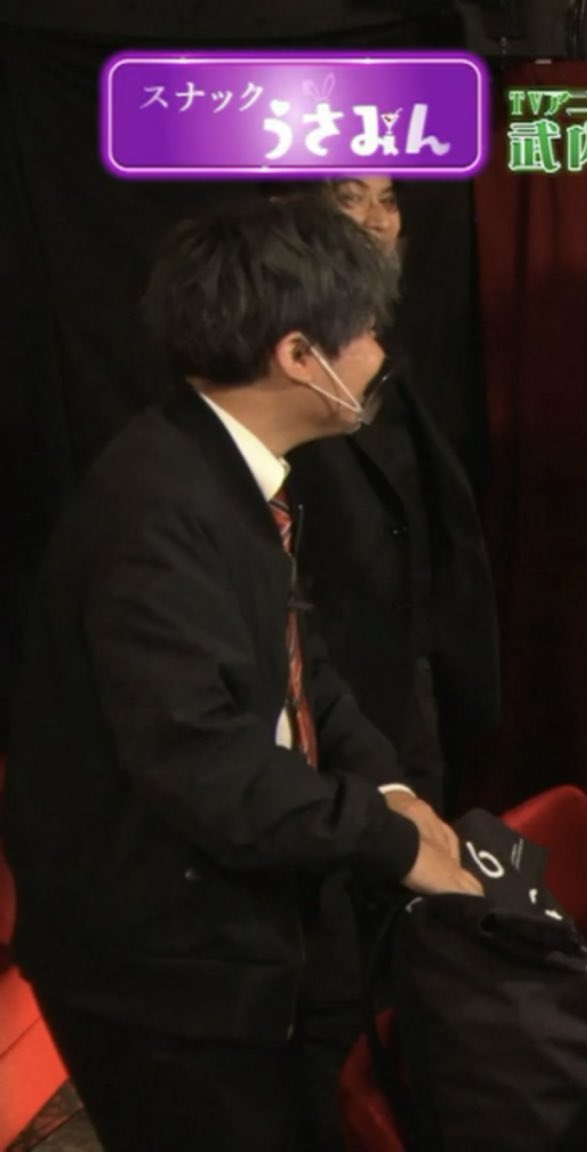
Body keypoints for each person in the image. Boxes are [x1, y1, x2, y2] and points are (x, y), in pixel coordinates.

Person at [1, 196, 482, 1152]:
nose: (379, 354)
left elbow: (304, 659)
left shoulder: (223, 465)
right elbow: (204, 767)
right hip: (158, 969)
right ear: (300, 355)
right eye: (365, 331)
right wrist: (384, 837)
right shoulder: (157, 513)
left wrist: (388, 786)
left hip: (249, 923)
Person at [268, 174, 501, 1147]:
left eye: (389, 199)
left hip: (409, 685)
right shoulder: (275, 391)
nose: (374, 219)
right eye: (348, 198)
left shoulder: (391, 358)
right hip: (331, 714)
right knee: (343, 963)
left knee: (410, 942)